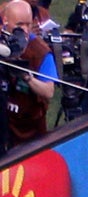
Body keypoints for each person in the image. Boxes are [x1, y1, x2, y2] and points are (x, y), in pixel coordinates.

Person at [0, 0, 56, 148]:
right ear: (5, 21)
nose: (24, 30)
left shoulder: (40, 51)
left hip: (30, 134)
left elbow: (49, 91)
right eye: (19, 25)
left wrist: (27, 77)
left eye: (28, 24)